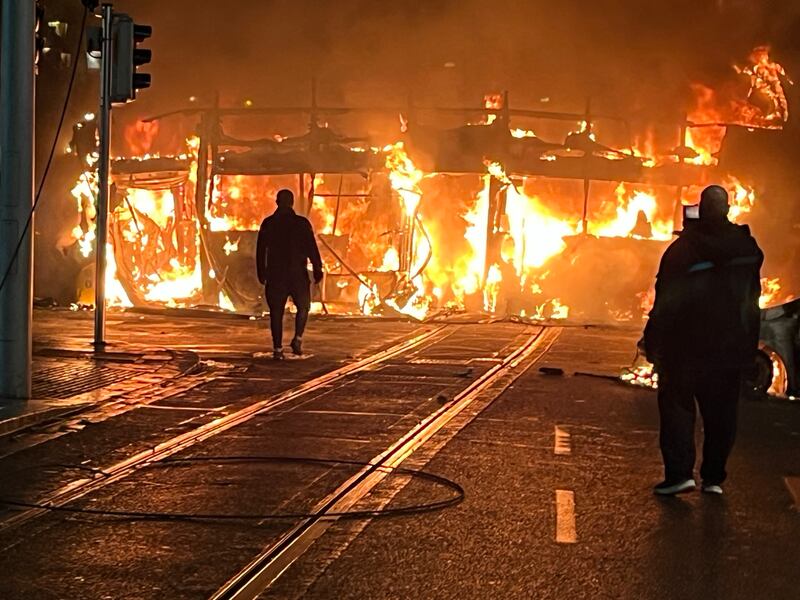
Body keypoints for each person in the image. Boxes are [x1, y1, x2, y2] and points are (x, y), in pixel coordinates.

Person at [643, 184, 763, 496]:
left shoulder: (683, 250)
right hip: (729, 348)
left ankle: (680, 474)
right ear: (727, 210)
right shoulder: (747, 249)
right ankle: (713, 477)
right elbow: (752, 302)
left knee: (678, 408)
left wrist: (652, 339)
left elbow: (667, 300)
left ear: (701, 209)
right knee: (722, 414)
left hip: (686, 348)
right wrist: (748, 348)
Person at [256, 189, 323, 360]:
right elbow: (312, 248)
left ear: (277, 202)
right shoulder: (302, 223)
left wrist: (261, 272)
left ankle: (278, 349)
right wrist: (317, 269)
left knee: (276, 313)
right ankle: (297, 339)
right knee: (303, 307)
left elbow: (260, 250)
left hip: (276, 274)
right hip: (297, 274)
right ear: (292, 203)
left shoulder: (269, 223)